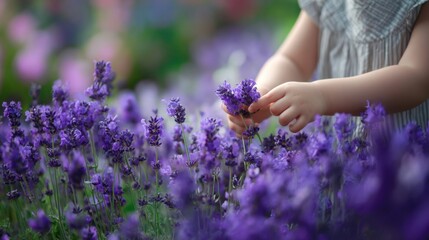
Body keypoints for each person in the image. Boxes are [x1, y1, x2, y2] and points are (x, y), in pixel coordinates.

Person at [223, 0, 429, 136]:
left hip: (404, 158)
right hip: (340, 160)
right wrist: (263, 96)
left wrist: (323, 96)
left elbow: (416, 78)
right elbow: (292, 60)